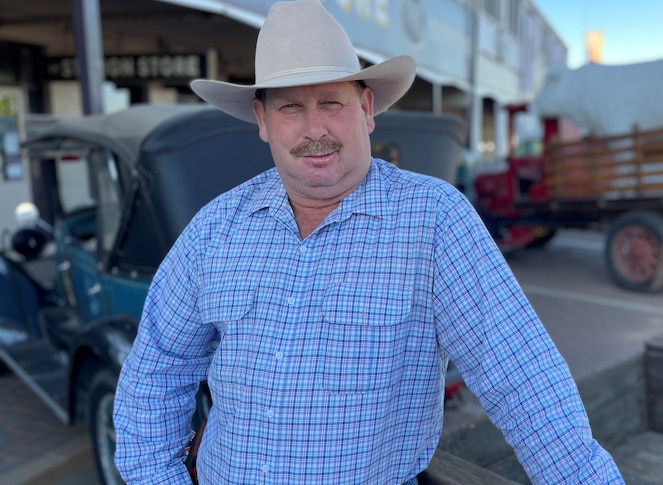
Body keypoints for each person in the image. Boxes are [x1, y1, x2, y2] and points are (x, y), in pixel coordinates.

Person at [112, 1, 623, 483]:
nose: (315, 129)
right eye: (291, 108)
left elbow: (527, 384)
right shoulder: (215, 229)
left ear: (367, 108)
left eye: (332, 102)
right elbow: (155, 373)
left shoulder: (434, 222)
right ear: (264, 122)